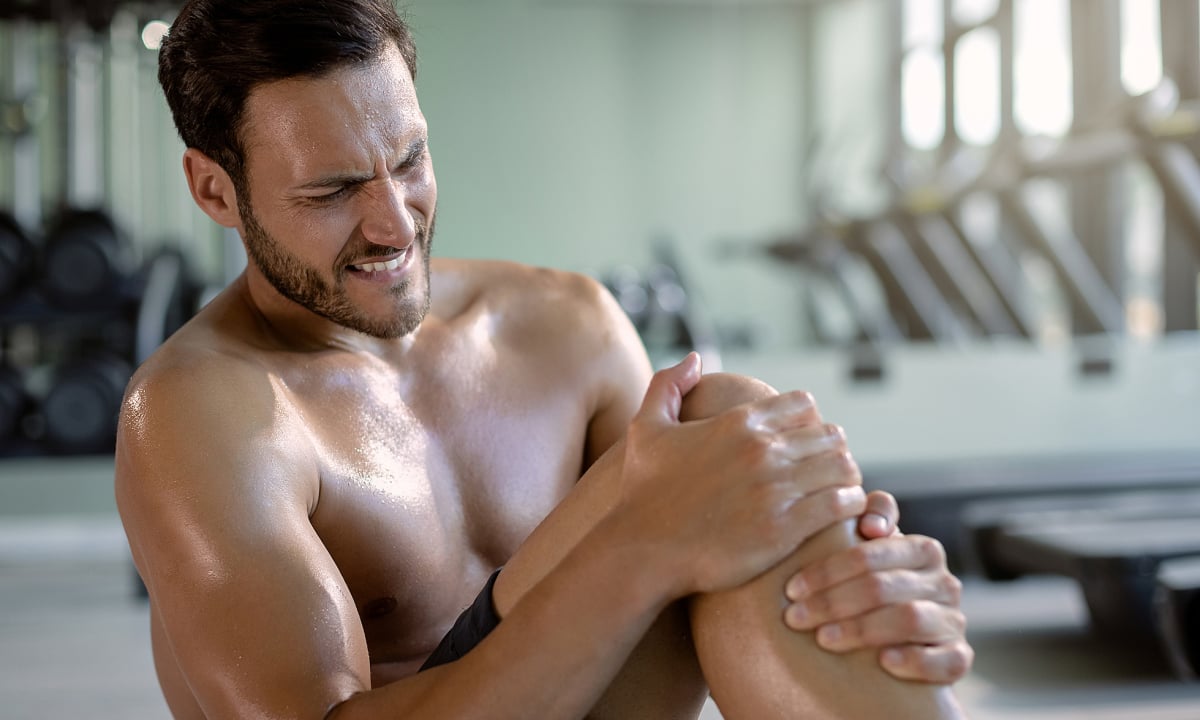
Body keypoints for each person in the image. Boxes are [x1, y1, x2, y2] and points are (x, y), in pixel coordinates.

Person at [114, 1, 973, 718]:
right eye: (333, 191)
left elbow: (732, 556)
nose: (395, 223)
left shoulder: (565, 324)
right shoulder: (200, 413)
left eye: (410, 160)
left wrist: (862, 580)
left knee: (727, 426)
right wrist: (646, 545)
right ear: (215, 190)